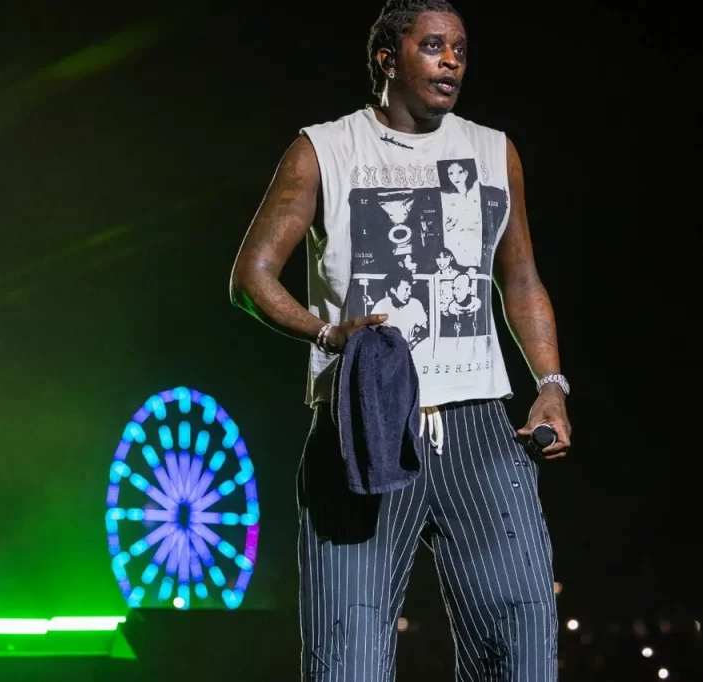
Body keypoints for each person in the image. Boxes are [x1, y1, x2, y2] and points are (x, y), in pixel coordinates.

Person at [230, 1, 571, 678]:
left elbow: (522, 278)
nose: (452, 62)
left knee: (523, 655)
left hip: (480, 430)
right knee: (347, 663)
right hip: (365, 427)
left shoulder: (493, 152)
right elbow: (251, 277)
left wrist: (551, 386)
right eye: (433, 46)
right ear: (388, 58)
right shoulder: (323, 149)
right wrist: (328, 332)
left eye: (461, 50)